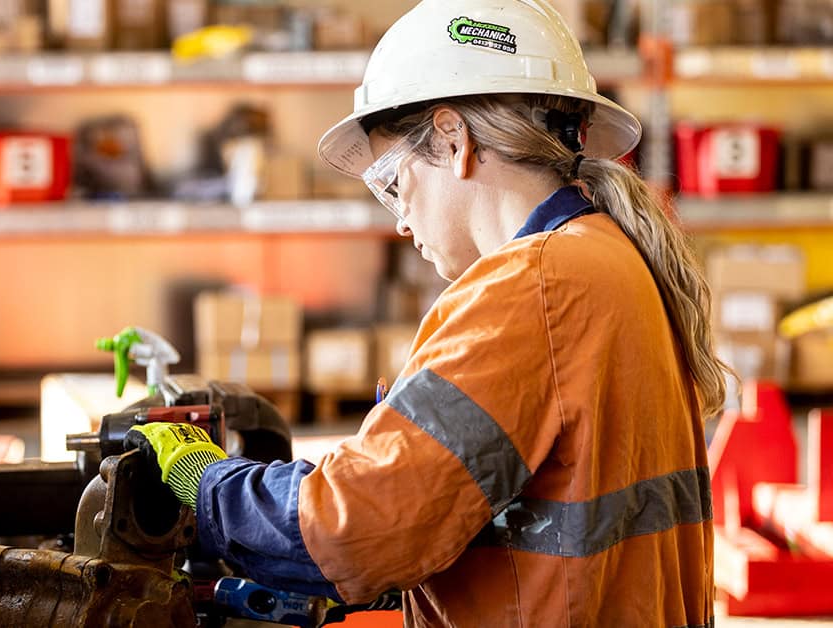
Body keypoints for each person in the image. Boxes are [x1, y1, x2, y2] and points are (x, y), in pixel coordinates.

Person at [128, 0, 727, 625]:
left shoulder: (529, 289)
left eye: (393, 180)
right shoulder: (611, 259)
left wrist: (205, 481)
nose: (399, 216)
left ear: (452, 138)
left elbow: (352, 528)